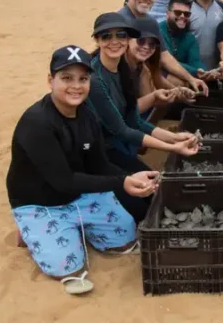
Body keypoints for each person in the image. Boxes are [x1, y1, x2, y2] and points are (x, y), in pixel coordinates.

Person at [6, 45, 159, 292]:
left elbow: (99, 164)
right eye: (66, 78)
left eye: (83, 79)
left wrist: (129, 177)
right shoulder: (37, 123)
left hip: (80, 194)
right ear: (50, 80)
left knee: (125, 241)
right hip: (42, 201)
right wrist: (121, 183)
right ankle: (31, 229)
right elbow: (63, 181)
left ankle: (74, 228)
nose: (75, 86)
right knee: (70, 269)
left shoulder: (87, 114)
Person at [85, 12, 199, 221]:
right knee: (141, 212)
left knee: (156, 189)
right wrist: (173, 147)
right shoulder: (95, 80)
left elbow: (134, 120)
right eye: (106, 36)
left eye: (120, 35)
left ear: (127, 39)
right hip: (92, 154)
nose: (114, 41)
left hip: (111, 146)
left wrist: (174, 137)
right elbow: (122, 129)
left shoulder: (123, 69)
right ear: (97, 40)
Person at [119, 0, 209, 96]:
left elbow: (165, 57)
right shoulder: (120, 21)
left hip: (147, 77)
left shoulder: (150, 22)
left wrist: (191, 78)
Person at [123, 17, 194, 120]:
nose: (146, 47)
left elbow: (151, 104)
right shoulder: (117, 67)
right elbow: (120, 112)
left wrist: (178, 92)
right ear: (128, 40)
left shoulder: (142, 68)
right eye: (141, 41)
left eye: (152, 44)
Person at [159, 0, 207, 80]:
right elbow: (168, 62)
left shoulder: (190, 38)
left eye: (186, 14)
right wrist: (195, 72)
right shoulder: (159, 31)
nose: (182, 16)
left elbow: (195, 61)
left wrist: (204, 71)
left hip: (185, 80)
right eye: (178, 12)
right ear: (168, 14)